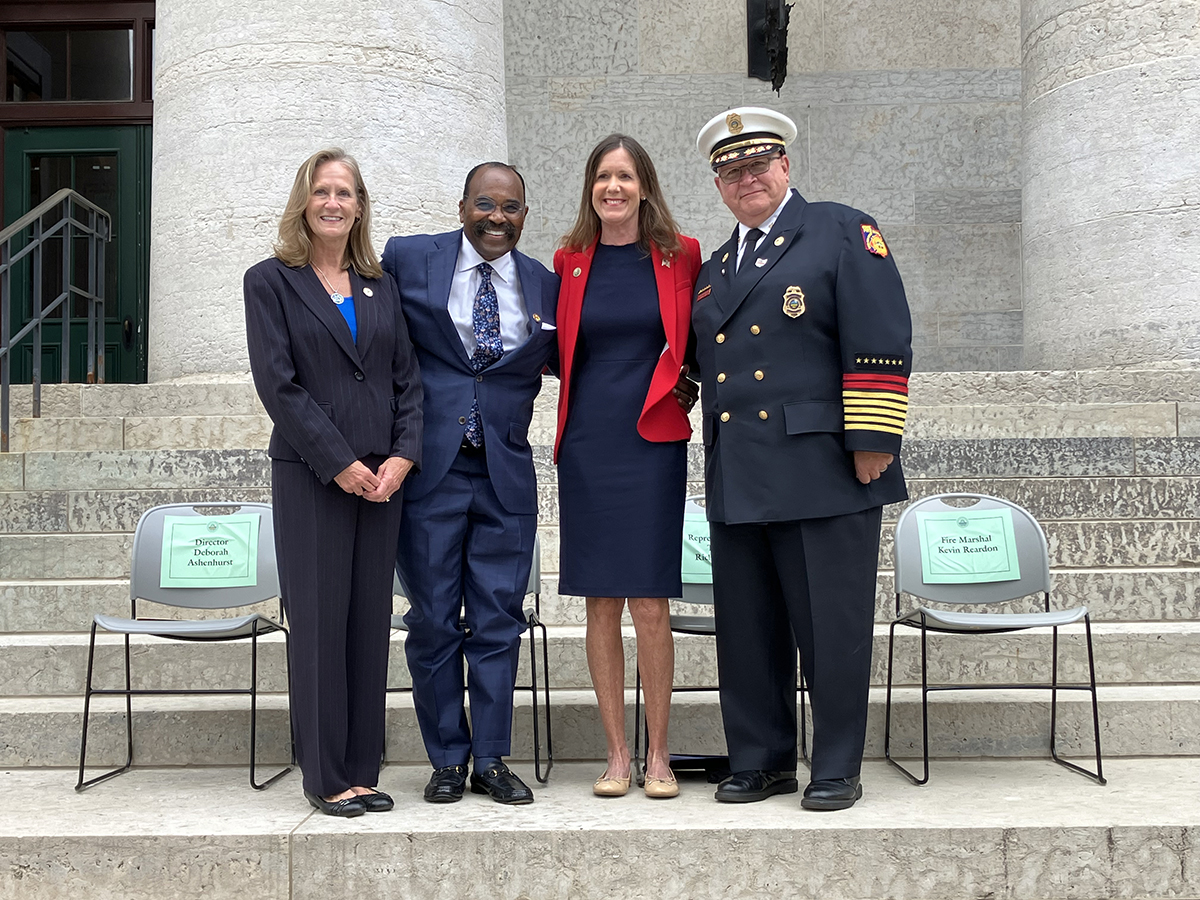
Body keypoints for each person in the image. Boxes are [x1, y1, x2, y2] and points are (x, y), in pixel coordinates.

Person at [690, 108, 913, 810]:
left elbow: (881, 335)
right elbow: (700, 365)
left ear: (785, 166)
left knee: (831, 626)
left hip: (825, 468)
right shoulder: (713, 267)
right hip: (740, 470)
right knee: (748, 628)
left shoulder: (842, 230)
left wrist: (874, 440)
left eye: (759, 164)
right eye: (731, 171)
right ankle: (762, 760)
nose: (746, 178)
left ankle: (837, 765)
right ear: (719, 185)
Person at [244, 148, 423, 818]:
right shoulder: (269, 282)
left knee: (367, 625)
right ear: (304, 201)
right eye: (322, 191)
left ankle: (361, 768)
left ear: (359, 205)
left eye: (345, 192)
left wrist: (402, 458)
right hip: (314, 478)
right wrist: (340, 461)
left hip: (382, 483)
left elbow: (408, 380)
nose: (334, 203)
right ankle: (324, 775)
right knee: (318, 625)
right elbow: (279, 387)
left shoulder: (380, 285)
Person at [382, 162, 558, 805]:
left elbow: (584, 362)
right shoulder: (407, 259)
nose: (497, 218)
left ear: (524, 216)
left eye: (511, 208)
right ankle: (447, 759)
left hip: (506, 477)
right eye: (486, 204)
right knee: (431, 620)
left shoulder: (546, 283)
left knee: (497, 621)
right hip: (429, 472)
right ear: (462, 207)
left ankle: (489, 757)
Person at [553, 134, 701, 799]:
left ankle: (660, 756)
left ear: (645, 186)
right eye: (603, 176)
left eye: (626, 176)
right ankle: (616, 755)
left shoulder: (681, 255)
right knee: (600, 599)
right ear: (591, 187)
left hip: (653, 444)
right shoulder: (567, 262)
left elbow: (702, 336)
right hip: (588, 444)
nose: (613, 187)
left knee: (649, 599)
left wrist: (691, 381)